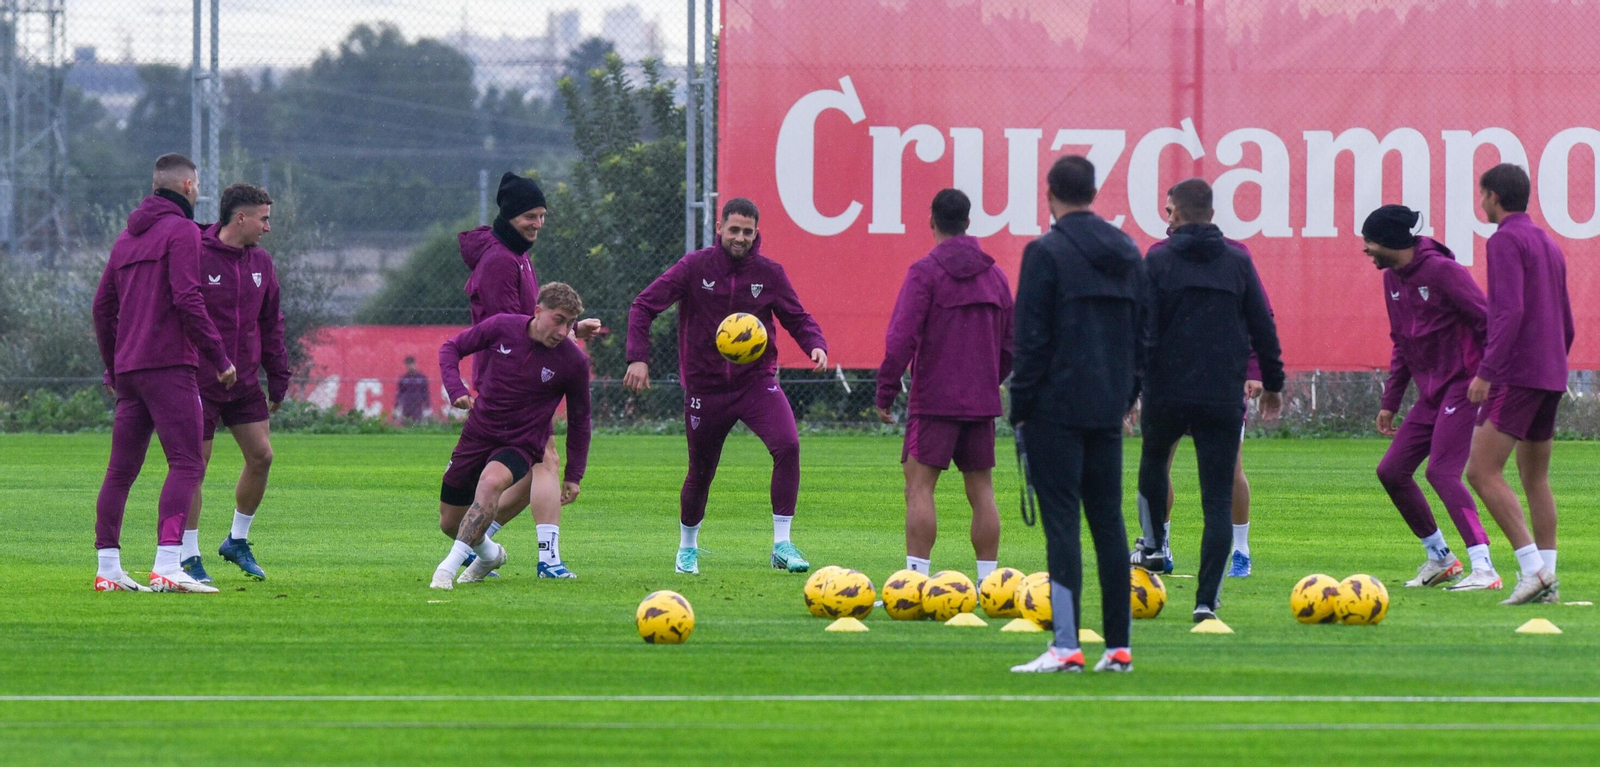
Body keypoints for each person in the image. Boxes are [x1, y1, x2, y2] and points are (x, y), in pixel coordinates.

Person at [624, 197, 829, 575]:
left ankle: (782, 544)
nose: (739, 237)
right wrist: (638, 356)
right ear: (719, 228)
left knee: (788, 445)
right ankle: (688, 547)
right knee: (701, 471)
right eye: (733, 229)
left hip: (756, 383)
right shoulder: (695, 267)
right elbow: (643, 305)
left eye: (747, 232)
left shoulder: (769, 273)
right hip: (706, 389)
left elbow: (797, 318)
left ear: (756, 234)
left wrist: (815, 344)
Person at [1008, 155, 1145, 674]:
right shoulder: (1128, 250)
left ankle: (1066, 646)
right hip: (1106, 407)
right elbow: (1142, 333)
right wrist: (1127, 393)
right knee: (1109, 524)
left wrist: (1019, 409)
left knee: (1062, 525)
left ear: (1050, 194)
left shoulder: (1044, 252)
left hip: (1053, 410)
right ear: (1093, 191)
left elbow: (1031, 340)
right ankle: (1118, 647)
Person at [1132, 177, 1284, 624]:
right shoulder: (1238, 260)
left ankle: (1154, 545)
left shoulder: (1157, 259)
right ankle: (1205, 602)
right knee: (1216, 501)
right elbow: (1262, 323)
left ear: (1172, 214)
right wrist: (1272, 382)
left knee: (1154, 463)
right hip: (1221, 393)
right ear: (1213, 215)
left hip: (1167, 391)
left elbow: (1141, 330)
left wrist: (1128, 390)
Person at [90, 153, 237, 593]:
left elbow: (102, 309)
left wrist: (113, 364)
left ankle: (108, 569)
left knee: (120, 472)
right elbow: (188, 299)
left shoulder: (125, 240)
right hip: (170, 365)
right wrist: (220, 358)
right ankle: (168, 565)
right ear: (189, 186)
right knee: (188, 462)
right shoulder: (181, 231)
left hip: (131, 370)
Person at [456, 171, 600, 578]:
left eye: (542, 216)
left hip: (522, 374)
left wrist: (572, 330)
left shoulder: (516, 254)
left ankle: (476, 544)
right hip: (514, 378)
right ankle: (548, 561)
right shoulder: (501, 260)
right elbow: (515, 331)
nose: (537, 223)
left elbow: (532, 324)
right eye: (530, 216)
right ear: (511, 214)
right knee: (546, 462)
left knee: (533, 465)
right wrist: (568, 336)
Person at [875, 189, 1013, 584]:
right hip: (981, 402)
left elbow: (901, 337)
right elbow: (1012, 345)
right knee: (981, 491)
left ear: (931, 221)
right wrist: (988, 380)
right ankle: (989, 584)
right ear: (969, 223)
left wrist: (886, 390)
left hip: (934, 399)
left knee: (920, 489)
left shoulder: (925, 272)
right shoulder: (995, 275)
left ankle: (915, 581)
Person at [1360, 204, 1500, 591]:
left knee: (1441, 471)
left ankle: (1484, 567)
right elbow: (1401, 344)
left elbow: (1487, 322)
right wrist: (1391, 401)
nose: (1365, 249)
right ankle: (1441, 557)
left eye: (1368, 241)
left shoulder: (1443, 272)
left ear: (1389, 241)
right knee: (1391, 471)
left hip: (1465, 386)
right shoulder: (1391, 279)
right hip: (1431, 395)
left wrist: (1486, 376)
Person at [430, 283, 592, 590]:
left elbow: (581, 420)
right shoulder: (503, 326)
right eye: (558, 320)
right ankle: (490, 555)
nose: (563, 330)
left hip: (521, 443)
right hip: (478, 433)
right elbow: (451, 348)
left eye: (570, 323)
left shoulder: (574, 362)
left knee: (491, 483)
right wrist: (456, 389)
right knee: (450, 522)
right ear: (538, 311)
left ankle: (446, 570)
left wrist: (574, 474)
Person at [1464, 164, 1574, 605]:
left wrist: (1487, 372)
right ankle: (1548, 578)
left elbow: (1506, 312)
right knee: (1535, 477)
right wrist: (1555, 362)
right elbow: (1565, 319)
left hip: (1517, 373)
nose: (1481, 203)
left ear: (1493, 196)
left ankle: (1533, 573)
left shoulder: (1505, 239)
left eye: (1482, 195)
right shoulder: (1547, 242)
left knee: (1480, 471)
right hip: (1550, 372)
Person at [180, 183, 288, 584]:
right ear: (240, 217)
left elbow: (271, 323)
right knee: (194, 466)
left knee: (262, 456)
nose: (267, 227)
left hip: (243, 383)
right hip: (198, 381)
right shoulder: (195, 252)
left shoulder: (261, 262)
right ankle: (189, 555)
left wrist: (278, 378)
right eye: (264, 218)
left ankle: (236, 540)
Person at [395, 356, 430, 423]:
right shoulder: (404, 379)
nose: (410, 366)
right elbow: (399, 393)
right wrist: (397, 406)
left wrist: (427, 406)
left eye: (411, 364)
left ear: (415, 364)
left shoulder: (421, 378)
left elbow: (426, 393)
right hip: (407, 405)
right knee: (406, 423)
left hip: (418, 405)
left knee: (417, 423)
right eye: (408, 364)